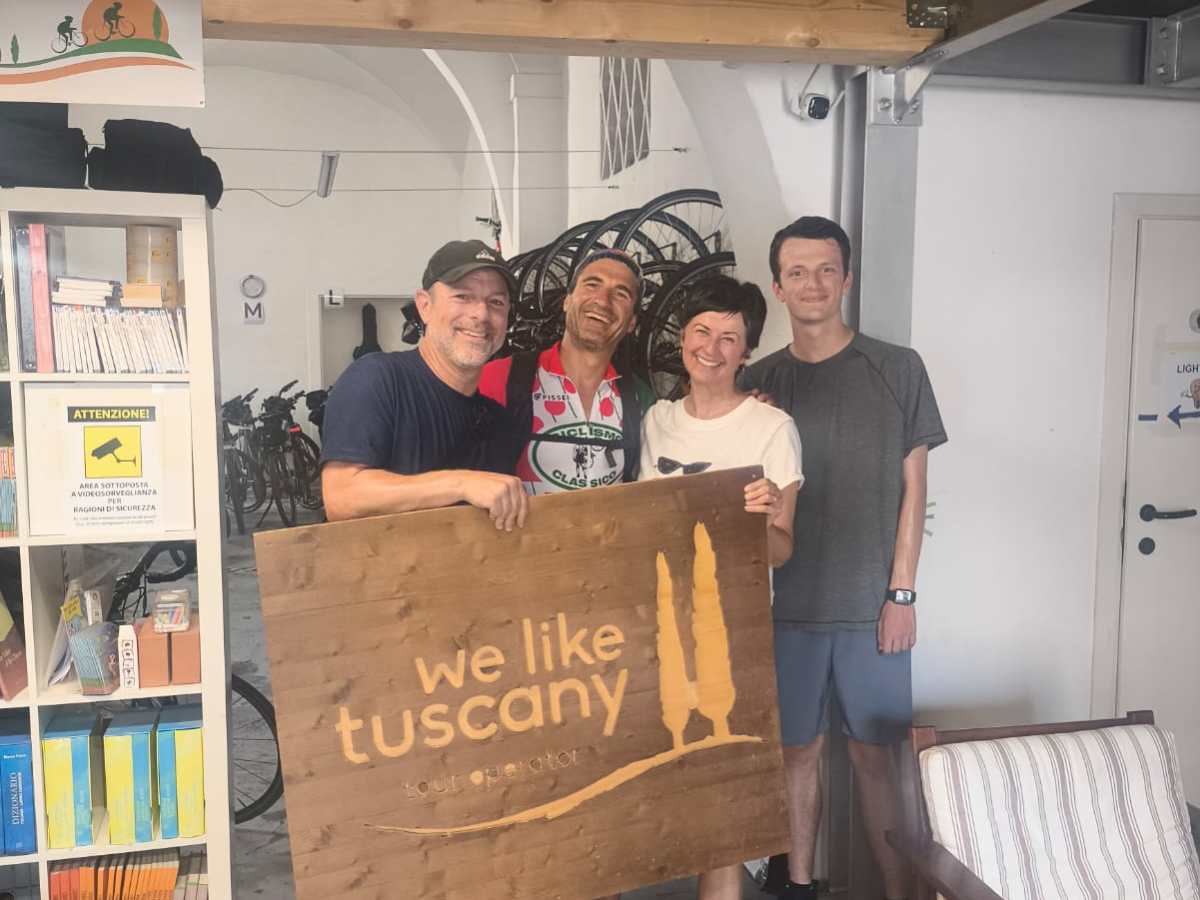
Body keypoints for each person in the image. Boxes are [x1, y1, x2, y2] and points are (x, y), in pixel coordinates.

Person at [742, 217, 947, 900]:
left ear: (847, 279)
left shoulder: (897, 368)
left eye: (826, 270)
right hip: (785, 608)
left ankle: (898, 894)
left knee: (876, 761)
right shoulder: (758, 382)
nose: (812, 284)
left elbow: (915, 486)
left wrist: (903, 594)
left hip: (871, 611)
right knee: (794, 754)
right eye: (797, 272)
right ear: (777, 285)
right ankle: (798, 886)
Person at [639, 274, 803, 900]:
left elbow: (781, 552)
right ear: (683, 338)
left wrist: (757, 523)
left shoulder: (772, 429)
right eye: (702, 331)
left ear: (746, 351)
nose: (712, 347)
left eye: (729, 337)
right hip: (652, 630)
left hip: (730, 637)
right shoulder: (654, 421)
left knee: (722, 809)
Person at [320, 239, 528, 530]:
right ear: (425, 306)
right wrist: (461, 482)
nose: (480, 315)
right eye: (463, 296)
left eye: (496, 302)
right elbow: (342, 497)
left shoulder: (498, 422)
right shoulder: (377, 379)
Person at [478, 249, 654, 494]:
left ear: (632, 322)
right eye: (592, 284)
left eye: (621, 293)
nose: (603, 300)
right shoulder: (497, 378)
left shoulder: (641, 398)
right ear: (567, 300)